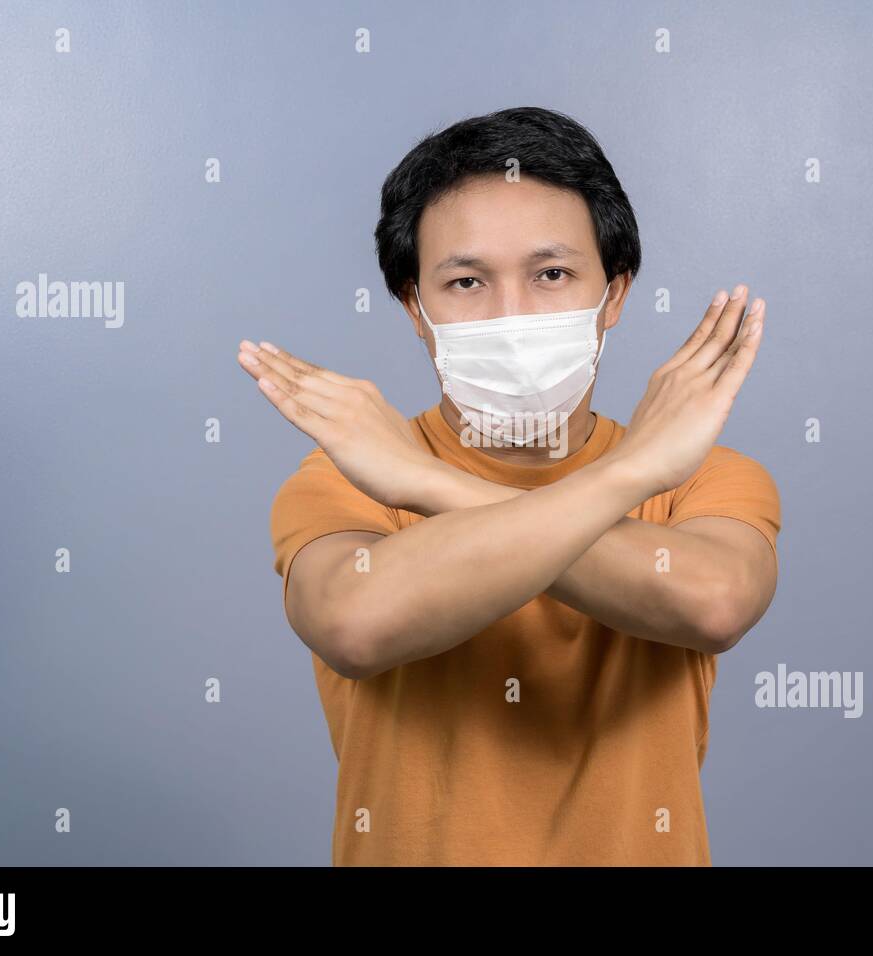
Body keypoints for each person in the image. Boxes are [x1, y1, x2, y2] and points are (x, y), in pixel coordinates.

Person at [236, 106, 780, 866]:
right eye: (466, 282)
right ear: (416, 310)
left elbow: (714, 601)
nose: (512, 315)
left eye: (551, 274)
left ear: (615, 294)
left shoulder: (704, 480)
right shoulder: (345, 476)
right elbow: (354, 625)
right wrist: (632, 473)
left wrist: (425, 484)